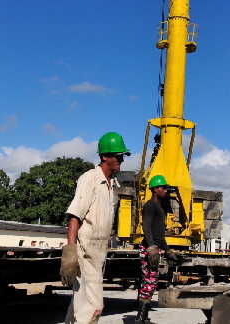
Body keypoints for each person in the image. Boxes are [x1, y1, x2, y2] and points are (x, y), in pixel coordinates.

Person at [60, 131, 131, 323]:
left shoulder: (111, 184)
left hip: (98, 256)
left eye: (122, 156)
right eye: (118, 156)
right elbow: (75, 216)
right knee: (93, 308)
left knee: (79, 306)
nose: (121, 160)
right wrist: (70, 250)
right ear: (104, 156)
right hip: (84, 254)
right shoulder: (89, 179)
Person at [135, 174, 181, 323]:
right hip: (150, 248)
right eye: (163, 187)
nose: (166, 190)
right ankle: (140, 319)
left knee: (151, 283)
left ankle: (144, 318)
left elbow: (159, 234)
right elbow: (146, 226)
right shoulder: (150, 205)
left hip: (156, 247)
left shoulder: (160, 207)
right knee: (148, 282)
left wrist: (167, 250)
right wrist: (152, 246)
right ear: (155, 189)